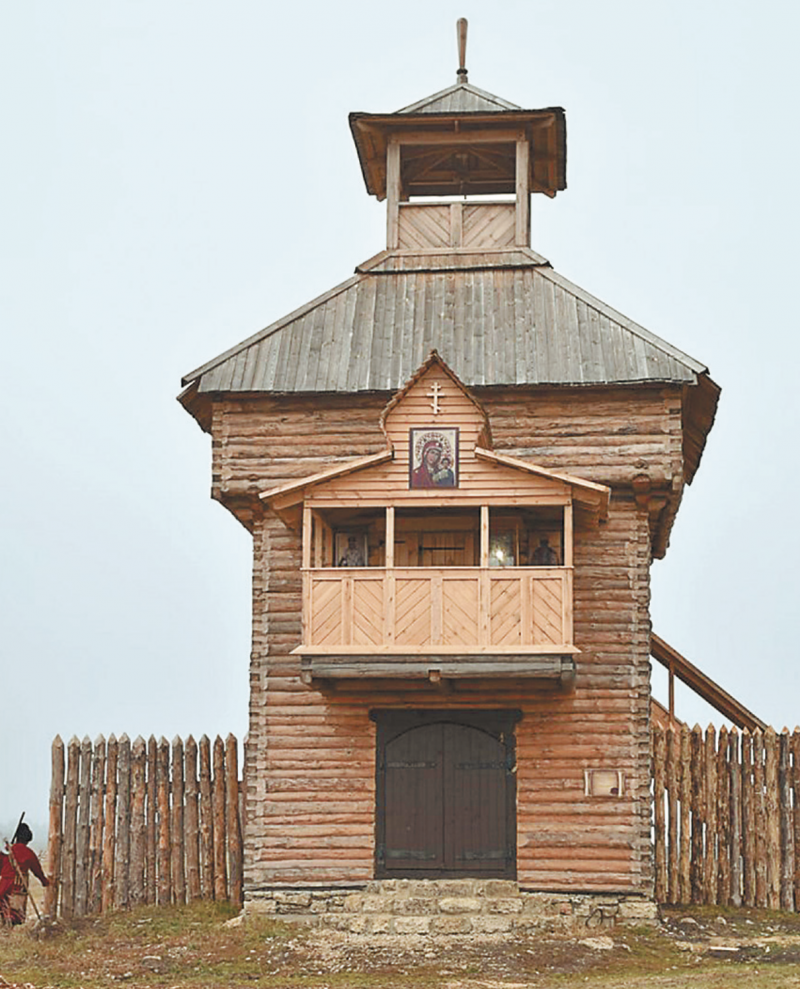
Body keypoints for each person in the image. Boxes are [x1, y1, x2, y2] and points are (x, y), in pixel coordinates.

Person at [0, 823, 49, 926]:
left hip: (4, 885)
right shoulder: (28, 853)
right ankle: (11, 925)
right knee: (16, 910)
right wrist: (44, 881)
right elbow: (37, 871)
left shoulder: (8, 851)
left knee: (3, 905)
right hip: (18, 886)